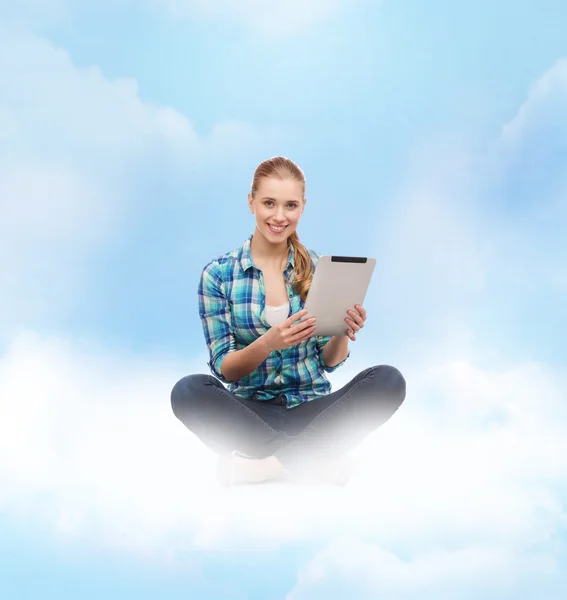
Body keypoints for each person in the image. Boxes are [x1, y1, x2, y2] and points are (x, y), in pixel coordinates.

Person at [171, 156, 406, 485]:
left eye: (290, 205)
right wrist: (270, 342)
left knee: (389, 380)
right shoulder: (219, 275)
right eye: (269, 203)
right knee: (188, 391)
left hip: (312, 410)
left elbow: (329, 363)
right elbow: (225, 368)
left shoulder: (317, 268)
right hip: (250, 414)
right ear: (251, 202)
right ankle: (312, 459)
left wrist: (342, 331)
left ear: (303, 207)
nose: (279, 217)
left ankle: (269, 465)